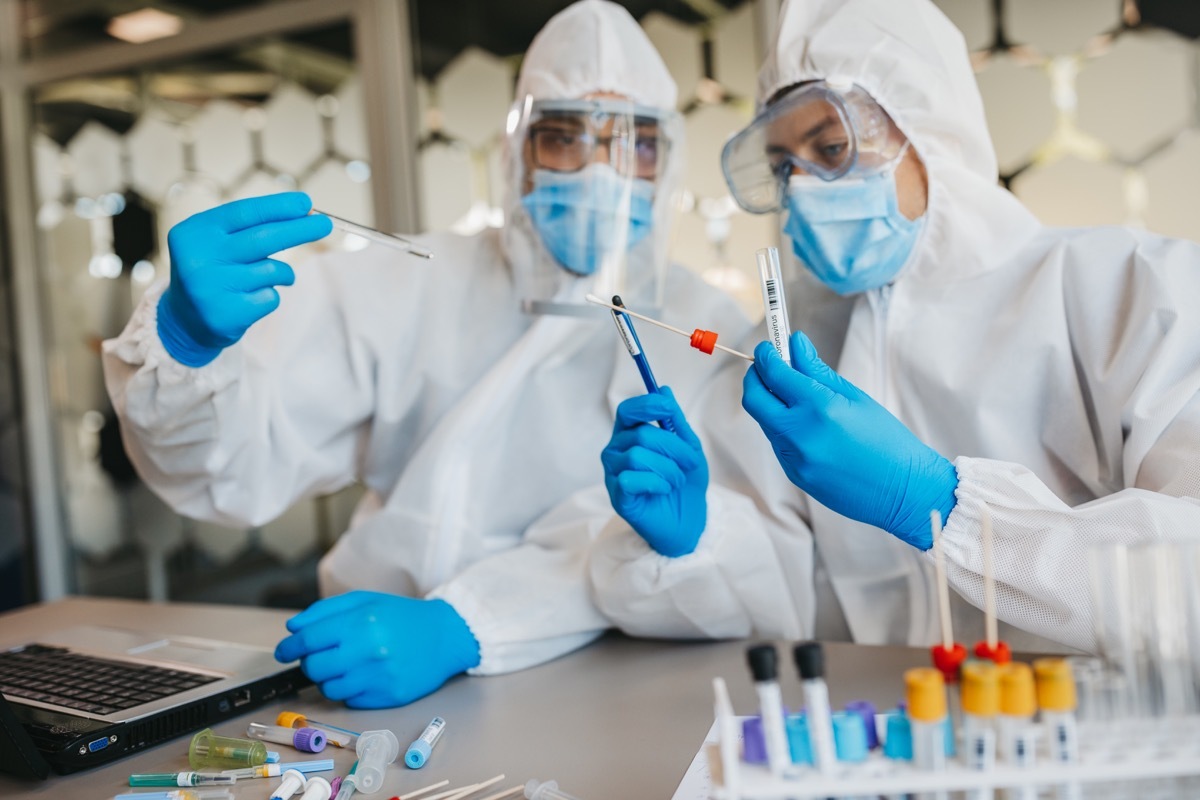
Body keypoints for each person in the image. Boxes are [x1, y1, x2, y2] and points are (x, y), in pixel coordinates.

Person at [103, 0, 750, 708]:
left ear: (667, 164)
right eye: (563, 137)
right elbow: (228, 469)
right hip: (371, 679)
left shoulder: (703, 331)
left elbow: (742, 569)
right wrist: (187, 348)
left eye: (635, 144)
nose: (599, 171)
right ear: (517, 155)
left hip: (615, 689)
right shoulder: (410, 283)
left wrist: (467, 623)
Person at [592, 0, 1200, 654]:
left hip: (1102, 730)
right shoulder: (800, 337)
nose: (801, 189)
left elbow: (1183, 578)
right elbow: (778, 597)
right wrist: (692, 541)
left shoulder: (1128, 286)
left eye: (830, 147)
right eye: (782, 166)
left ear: (932, 133)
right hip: (891, 733)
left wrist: (940, 503)